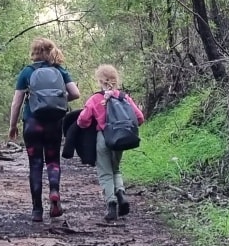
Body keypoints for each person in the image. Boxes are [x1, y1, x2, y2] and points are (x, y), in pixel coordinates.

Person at [8, 37, 80, 222]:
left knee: (35, 164)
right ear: (50, 52)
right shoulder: (59, 70)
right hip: (54, 123)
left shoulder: (27, 72)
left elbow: (16, 103)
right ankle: (54, 191)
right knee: (53, 161)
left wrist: (13, 125)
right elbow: (75, 94)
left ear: (34, 53)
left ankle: (37, 210)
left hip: (32, 123)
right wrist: (58, 100)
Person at [76, 64, 144, 221]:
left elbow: (83, 120)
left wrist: (85, 126)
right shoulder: (124, 98)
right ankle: (121, 193)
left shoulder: (95, 99)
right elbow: (139, 117)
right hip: (120, 139)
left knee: (105, 172)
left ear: (100, 81)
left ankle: (111, 204)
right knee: (116, 169)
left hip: (103, 137)